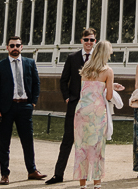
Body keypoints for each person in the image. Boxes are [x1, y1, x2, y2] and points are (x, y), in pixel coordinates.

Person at [0, 36, 45, 184]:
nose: (15, 48)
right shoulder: (0, 65)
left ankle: (32, 170)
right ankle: (4, 174)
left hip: (24, 106)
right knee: (4, 142)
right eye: (12, 45)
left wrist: (32, 102)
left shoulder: (30, 63)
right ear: (7, 47)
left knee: (27, 141)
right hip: (5, 109)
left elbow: (36, 83)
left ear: (22, 47)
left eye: (17, 45)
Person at [47, 28, 98, 185]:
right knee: (68, 139)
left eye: (92, 40)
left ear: (95, 41)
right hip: (74, 104)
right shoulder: (72, 57)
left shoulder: (98, 58)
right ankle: (58, 174)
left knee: (91, 141)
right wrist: (67, 97)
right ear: (81, 40)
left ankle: (91, 177)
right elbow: (64, 80)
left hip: (92, 106)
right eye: (86, 39)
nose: (89, 42)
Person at [73, 39, 118, 188]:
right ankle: (97, 183)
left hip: (81, 110)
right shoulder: (108, 71)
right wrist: (110, 86)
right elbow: (109, 96)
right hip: (97, 112)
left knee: (81, 147)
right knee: (97, 147)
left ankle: (82, 184)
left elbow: (85, 90)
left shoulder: (86, 68)